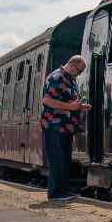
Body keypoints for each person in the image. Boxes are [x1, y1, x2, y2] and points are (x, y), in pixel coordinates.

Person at [40, 55, 89, 202]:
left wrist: (79, 106)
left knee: (64, 159)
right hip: (55, 126)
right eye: (79, 71)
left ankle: (63, 191)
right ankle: (55, 194)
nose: (79, 74)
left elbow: (68, 101)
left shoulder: (70, 80)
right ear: (73, 65)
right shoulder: (57, 77)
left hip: (65, 127)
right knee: (57, 159)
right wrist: (70, 107)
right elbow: (47, 100)